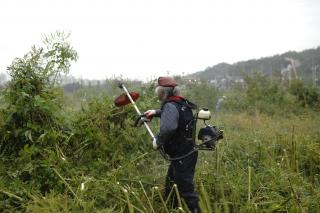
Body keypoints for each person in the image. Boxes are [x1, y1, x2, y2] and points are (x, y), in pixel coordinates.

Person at [144, 77, 201, 213]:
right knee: (171, 184)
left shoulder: (170, 105)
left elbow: (169, 128)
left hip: (182, 155)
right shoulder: (181, 103)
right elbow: (178, 117)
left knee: (186, 190)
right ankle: (171, 209)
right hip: (187, 152)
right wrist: (156, 112)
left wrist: (158, 140)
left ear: (163, 93)